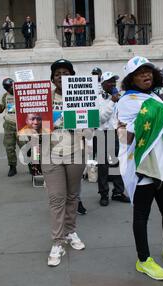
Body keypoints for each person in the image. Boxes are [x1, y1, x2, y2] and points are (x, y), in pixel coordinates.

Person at [116, 57, 163, 281]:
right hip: (144, 167)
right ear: (131, 79)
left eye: (148, 71)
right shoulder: (127, 100)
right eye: (139, 73)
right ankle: (144, 260)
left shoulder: (157, 97)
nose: (146, 75)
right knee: (141, 215)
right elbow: (129, 133)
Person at [43, 59, 87, 267]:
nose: (61, 76)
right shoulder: (43, 99)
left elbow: (90, 131)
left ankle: (70, 232)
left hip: (76, 152)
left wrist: (80, 123)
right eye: (58, 73)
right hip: (49, 154)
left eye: (66, 72)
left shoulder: (83, 96)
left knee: (72, 196)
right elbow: (30, 127)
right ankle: (57, 241)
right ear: (53, 78)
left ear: (73, 76)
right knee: (56, 199)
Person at [96, 71, 130, 206]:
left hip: (116, 133)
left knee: (116, 163)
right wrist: (112, 102)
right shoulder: (97, 99)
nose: (112, 84)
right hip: (101, 134)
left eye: (114, 82)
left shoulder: (117, 98)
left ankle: (118, 192)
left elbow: (121, 116)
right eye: (109, 82)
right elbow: (100, 119)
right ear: (103, 84)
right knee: (103, 167)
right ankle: (103, 194)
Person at [0, 78, 26, 177]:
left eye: (13, 85)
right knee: (9, 147)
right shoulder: (5, 96)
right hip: (9, 125)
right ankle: (12, 167)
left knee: (25, 146)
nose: (12, 88)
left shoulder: (22, 94)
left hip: (21, 125)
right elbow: (0, 110)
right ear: (5, 88)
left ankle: (32, 166)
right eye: (9, 87)